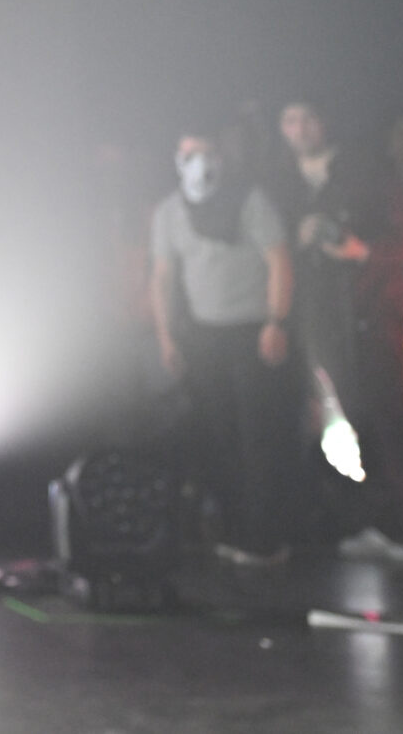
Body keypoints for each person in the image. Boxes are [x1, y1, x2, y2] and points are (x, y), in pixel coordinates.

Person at [275, 101, 403, 562]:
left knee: (389, 408)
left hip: (372, 306)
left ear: (326, 120)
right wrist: (300, 235)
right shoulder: (283, 184)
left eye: (309, 117)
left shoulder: (366, 171)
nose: (301, 129)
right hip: (322, 315)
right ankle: (387, 521)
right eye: (290, 121)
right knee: (356, 414)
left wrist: (363, 250)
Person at [149, 131, 301, 566]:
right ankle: (233, 530)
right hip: (203, 335)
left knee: (259, 435)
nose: (200, 162)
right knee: (218, 434)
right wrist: (166, 336)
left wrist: (277, 321)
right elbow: (162, 276)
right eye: (190, 153)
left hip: (252, 331)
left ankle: (265, 538)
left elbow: (279, 259)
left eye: (208, 152)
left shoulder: (249, 201)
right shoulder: (169, 212)